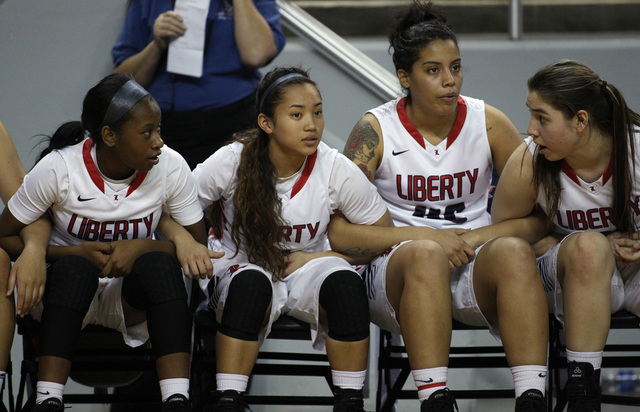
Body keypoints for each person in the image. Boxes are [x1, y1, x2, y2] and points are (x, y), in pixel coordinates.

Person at [328, 2, 550, 411]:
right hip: (397, 272)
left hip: (472, 264)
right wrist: (426, 236)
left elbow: (539, 219)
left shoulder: (489, 122)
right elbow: (338, 232)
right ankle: (434, 400)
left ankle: (532, 397)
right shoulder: (373, 130)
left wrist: (478, 235)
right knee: (425, 253)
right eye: (433, 71)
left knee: (514, 251)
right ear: (404, 77)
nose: (450, 81)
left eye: (456, 67)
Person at [0, 73, 217, 412]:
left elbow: (197, 247)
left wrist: (145, 247)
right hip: (64, 293)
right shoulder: (60, 168)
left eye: (159, 129)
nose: (159, 141)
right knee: (75, 268)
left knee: (159, 264)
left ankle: (177, 398)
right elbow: (5, 234)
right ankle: (48, 399)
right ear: (110, 136)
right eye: (147, 132)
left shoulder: (171, 166)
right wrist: (63, 251)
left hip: (128, 300)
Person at [192, 66, 392, 412]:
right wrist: (188, 244)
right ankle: (229, 399)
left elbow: (383, 235)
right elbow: (177, 209)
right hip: (240, 265)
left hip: (306, 268)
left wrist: (317, 259)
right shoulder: (232, 160)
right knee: (251, 285)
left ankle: (350, 401)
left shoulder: (333, 166)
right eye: (297, 114)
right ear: (266, 123)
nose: (311, 124)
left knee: (345, 285)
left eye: (317, 112)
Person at [491, 59, 640, 412]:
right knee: (589, 246)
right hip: (565, 275)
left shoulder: (635, 149)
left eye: (542, 118)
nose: (530, 129)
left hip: (632, 272)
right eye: (531, 115)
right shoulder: (530, 160)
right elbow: (505, 240)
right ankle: (582, 391)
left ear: (581, 120)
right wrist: (557, 242)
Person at [112, 0, 286, 169]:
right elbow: (125, 81)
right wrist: (157, 45)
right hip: (168, 126)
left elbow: (256, 54)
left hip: (235, 120)